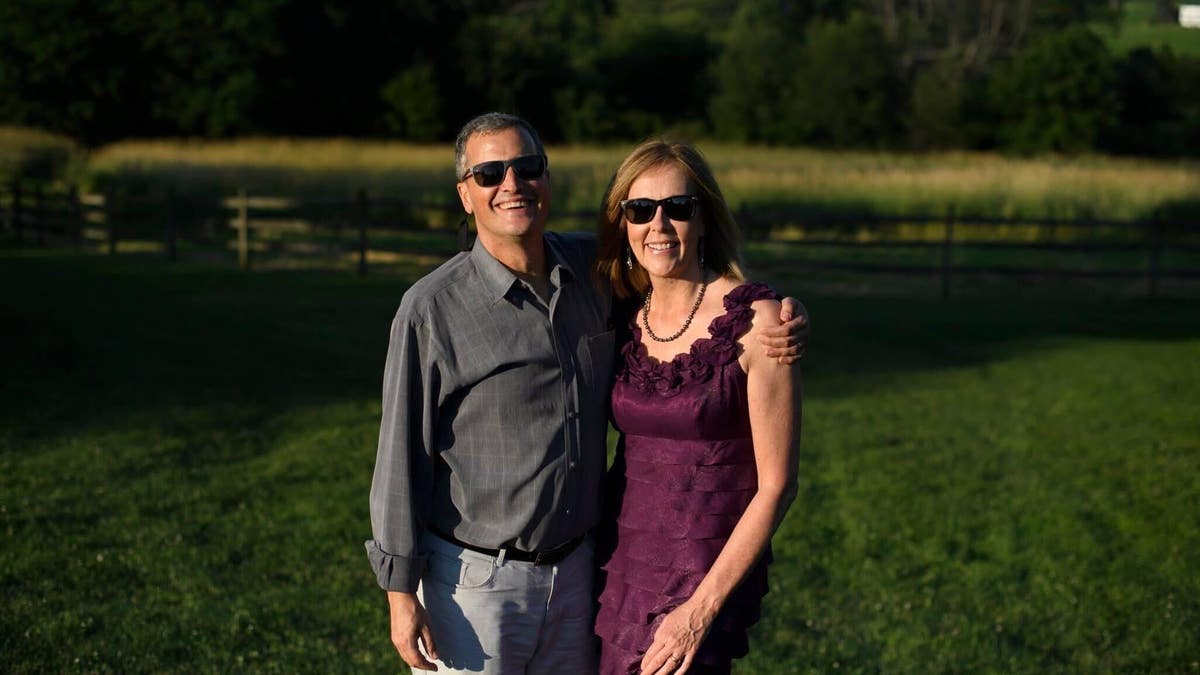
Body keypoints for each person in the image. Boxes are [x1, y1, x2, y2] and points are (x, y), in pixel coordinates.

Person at [365, 113, 806, 674]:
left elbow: (691, 294)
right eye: (490, 173)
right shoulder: (431, 309)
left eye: (527, 168)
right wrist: (401, 596)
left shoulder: (596, 275)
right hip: (476, 586)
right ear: (465, 194)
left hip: (581, 576)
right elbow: (400, 458)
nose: (512, 184)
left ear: (546, 179)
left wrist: (780, 317)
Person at [592, 139, 802, 675]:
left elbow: (778, 485)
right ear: (623, 223)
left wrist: (700, 610)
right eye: (640, 210)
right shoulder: (619, 312)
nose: (658, 225)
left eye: (678, 208)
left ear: (704, 217)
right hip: (618, 561)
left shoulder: (759, 324)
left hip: (705, 567)